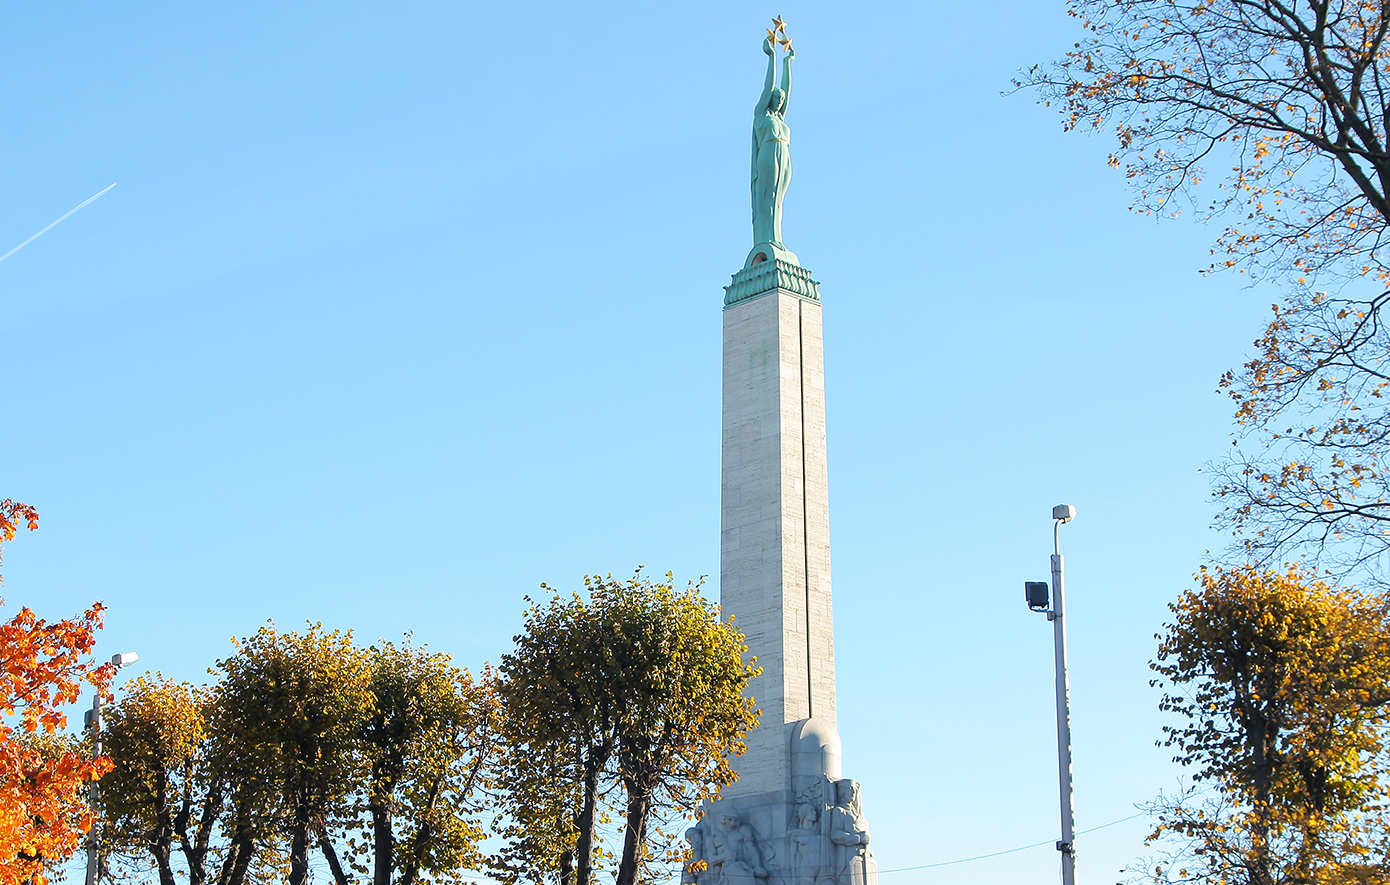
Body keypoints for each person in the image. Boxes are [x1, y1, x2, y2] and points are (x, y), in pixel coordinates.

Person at [751, 35, 795, 248]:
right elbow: (770, 86)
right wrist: (773, 58)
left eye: (782, 100)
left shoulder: (780, 119)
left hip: (784, 154)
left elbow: (788, 90)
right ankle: (765, 238)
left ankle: (777, 239)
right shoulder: (762, 116)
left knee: (779, 200)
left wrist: (789, 64)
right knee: (768, 197)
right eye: (777, 99)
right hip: (769, 154)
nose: (780, 102)